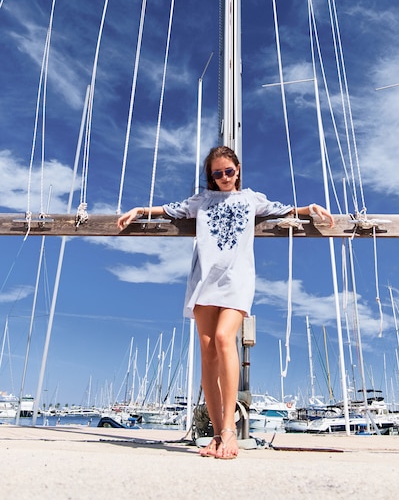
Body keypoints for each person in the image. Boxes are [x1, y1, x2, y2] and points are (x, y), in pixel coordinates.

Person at [117, 145, 333, 459]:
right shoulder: (200, 201)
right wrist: (139, 210)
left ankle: (230, 431)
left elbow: (283, 209)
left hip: (237, 279)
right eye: (217, 173)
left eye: (228, 171)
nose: (223, 178)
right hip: (204, 279)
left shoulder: (251, 199)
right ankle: (217, 435)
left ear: (238, 169)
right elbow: (169, 209)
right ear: (211, 175)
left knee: (223, 338)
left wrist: (309, 208)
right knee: (207, 352)